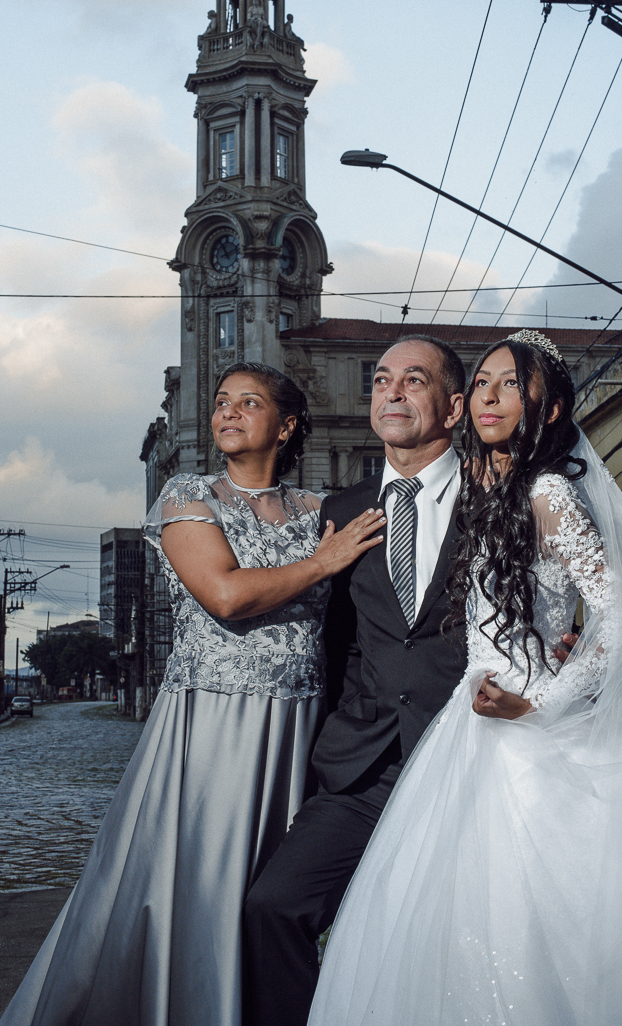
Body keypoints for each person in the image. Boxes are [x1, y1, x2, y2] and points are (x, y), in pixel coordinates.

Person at [308, 331, 622, 1026]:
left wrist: (537, 703)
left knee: (529, 919)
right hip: (464, 728)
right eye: (481, 384)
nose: (490, 397)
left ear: (551, 409)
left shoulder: (547, 491)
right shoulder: (483, 486)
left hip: (526, 731)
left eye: (510, 384)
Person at [0, 362, 385, 1026]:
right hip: (209, 725)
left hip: (296, 729)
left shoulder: (323, 510)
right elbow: (227, 596)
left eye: (249, 402)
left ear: (287, 425)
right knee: (195, 887)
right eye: (221, 402)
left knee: (269, 897)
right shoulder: (187, 496)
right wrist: (323, 562)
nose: (228, 412)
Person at [245, 335, 470, 1023]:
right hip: (362, 769)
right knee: (272, 907)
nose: (391, 392)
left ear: (453, 406)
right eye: (378, 379)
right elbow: (333, 639)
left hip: (468, 761)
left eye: (412, 379)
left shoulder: (498, 497)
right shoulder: (337, 512)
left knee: (447, 939)